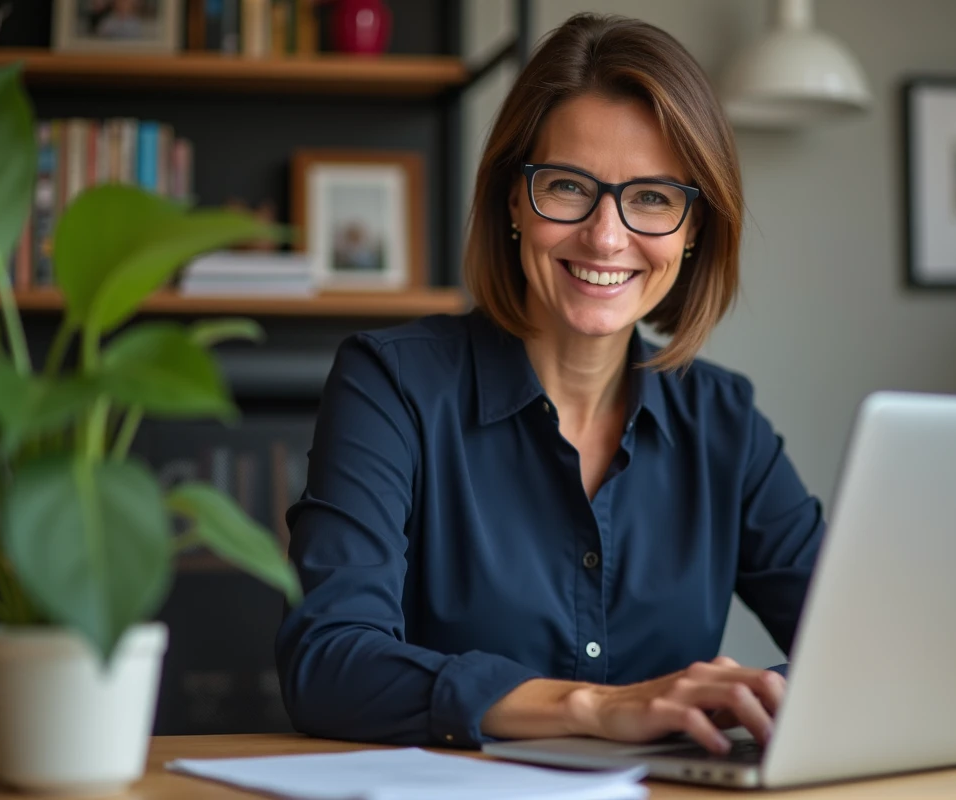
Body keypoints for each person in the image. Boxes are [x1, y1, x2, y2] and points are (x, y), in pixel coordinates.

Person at [274, 13, 825, 757]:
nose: (605, 237)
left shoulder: (724, 421)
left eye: (653, 198)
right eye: (567, 187)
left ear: (694, 229)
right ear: (512, 199)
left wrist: (741, 703)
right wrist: (598, 708)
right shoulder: (393, 384)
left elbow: (858, 647)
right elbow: (328, 663)